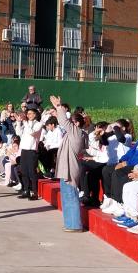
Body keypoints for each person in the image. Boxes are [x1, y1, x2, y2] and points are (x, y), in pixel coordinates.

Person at [51, 95, 87, 232]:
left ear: (77, 123)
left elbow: (64, 122)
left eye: (72, 121)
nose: (70, 122)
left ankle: (75, 225)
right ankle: (70, 223)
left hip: (70, 168)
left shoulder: (76, 132)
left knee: (71, 195)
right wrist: (57, 111)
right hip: (66, 168)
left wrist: (59, 107)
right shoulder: (73, 133)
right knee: (67, 196)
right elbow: (63, 123)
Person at [14, 108, 43, 201]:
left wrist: (25, 122)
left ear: (35, 114)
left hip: (32, 151)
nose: (28, 115)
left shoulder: (38, 124)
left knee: (32, 172)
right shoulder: (26, 123)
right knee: (24, 171)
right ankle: (26, 190)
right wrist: (19, 122)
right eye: (27, 114)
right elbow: (18, 133)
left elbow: (32, 133)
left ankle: (34, 192)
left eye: (30, 113)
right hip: (24, 150)